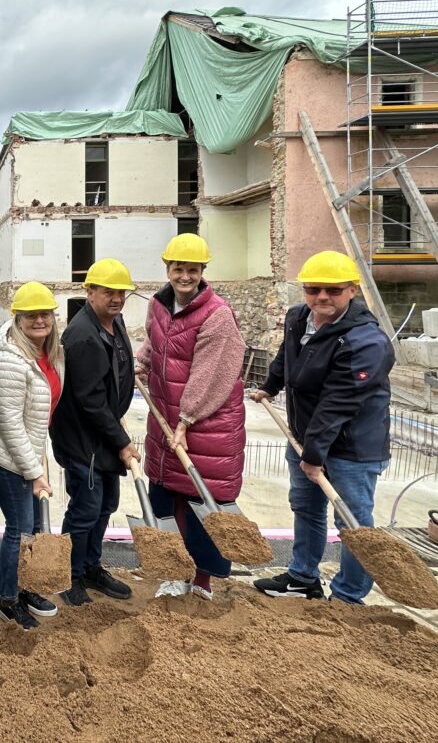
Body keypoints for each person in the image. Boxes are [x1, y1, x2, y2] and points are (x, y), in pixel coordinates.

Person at [251, 251, 395, 603]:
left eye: (333, 290)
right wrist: (270, 385)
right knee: (306, 507)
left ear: (352, 291)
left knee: (352, 522)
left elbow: (338, 404)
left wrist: (314, 456)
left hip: (351, 447)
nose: (322, 297)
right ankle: (303, 578)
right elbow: (287, 356)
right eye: (313, 289)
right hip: (306, 439)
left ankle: (347, 597)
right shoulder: (298, 317)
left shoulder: (365, 341)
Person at [136, 233, 246, 601]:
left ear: (202, 271)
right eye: (178, 268)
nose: (185, 276)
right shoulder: (158, 305)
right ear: (167, 269)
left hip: (206, 423)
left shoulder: (217, 314)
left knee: (201, 501)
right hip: (167, 418)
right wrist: (142, 363)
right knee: (169, 499)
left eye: (193, 270)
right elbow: (154, 342)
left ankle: (201, 582)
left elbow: (211, 374)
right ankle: (173, 574)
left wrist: (186, 420)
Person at [50, 260, 139, 607]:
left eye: (121, 292)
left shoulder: (114, 324)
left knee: (105, 505)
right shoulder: (83, 336)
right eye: (108, 292)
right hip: (83, 441)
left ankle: (90, 567)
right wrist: (123, 442)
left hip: (103, 435)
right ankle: (68, 575)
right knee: (85, 508)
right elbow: (90, 401)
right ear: (90, 292)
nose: (116, 298)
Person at [0, 281, 65, 629]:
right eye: (31, 315)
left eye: (45, 314)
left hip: (30, 453)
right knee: (18, 529)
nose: (39, 320)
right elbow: (9, 424)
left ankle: (26, 587)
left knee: (31, 528)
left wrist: (39, 457)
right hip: (8, 459)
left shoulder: (49, 352)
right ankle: (6, 598)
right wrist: (34, 473)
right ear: (17, 318)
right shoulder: (9, 359)